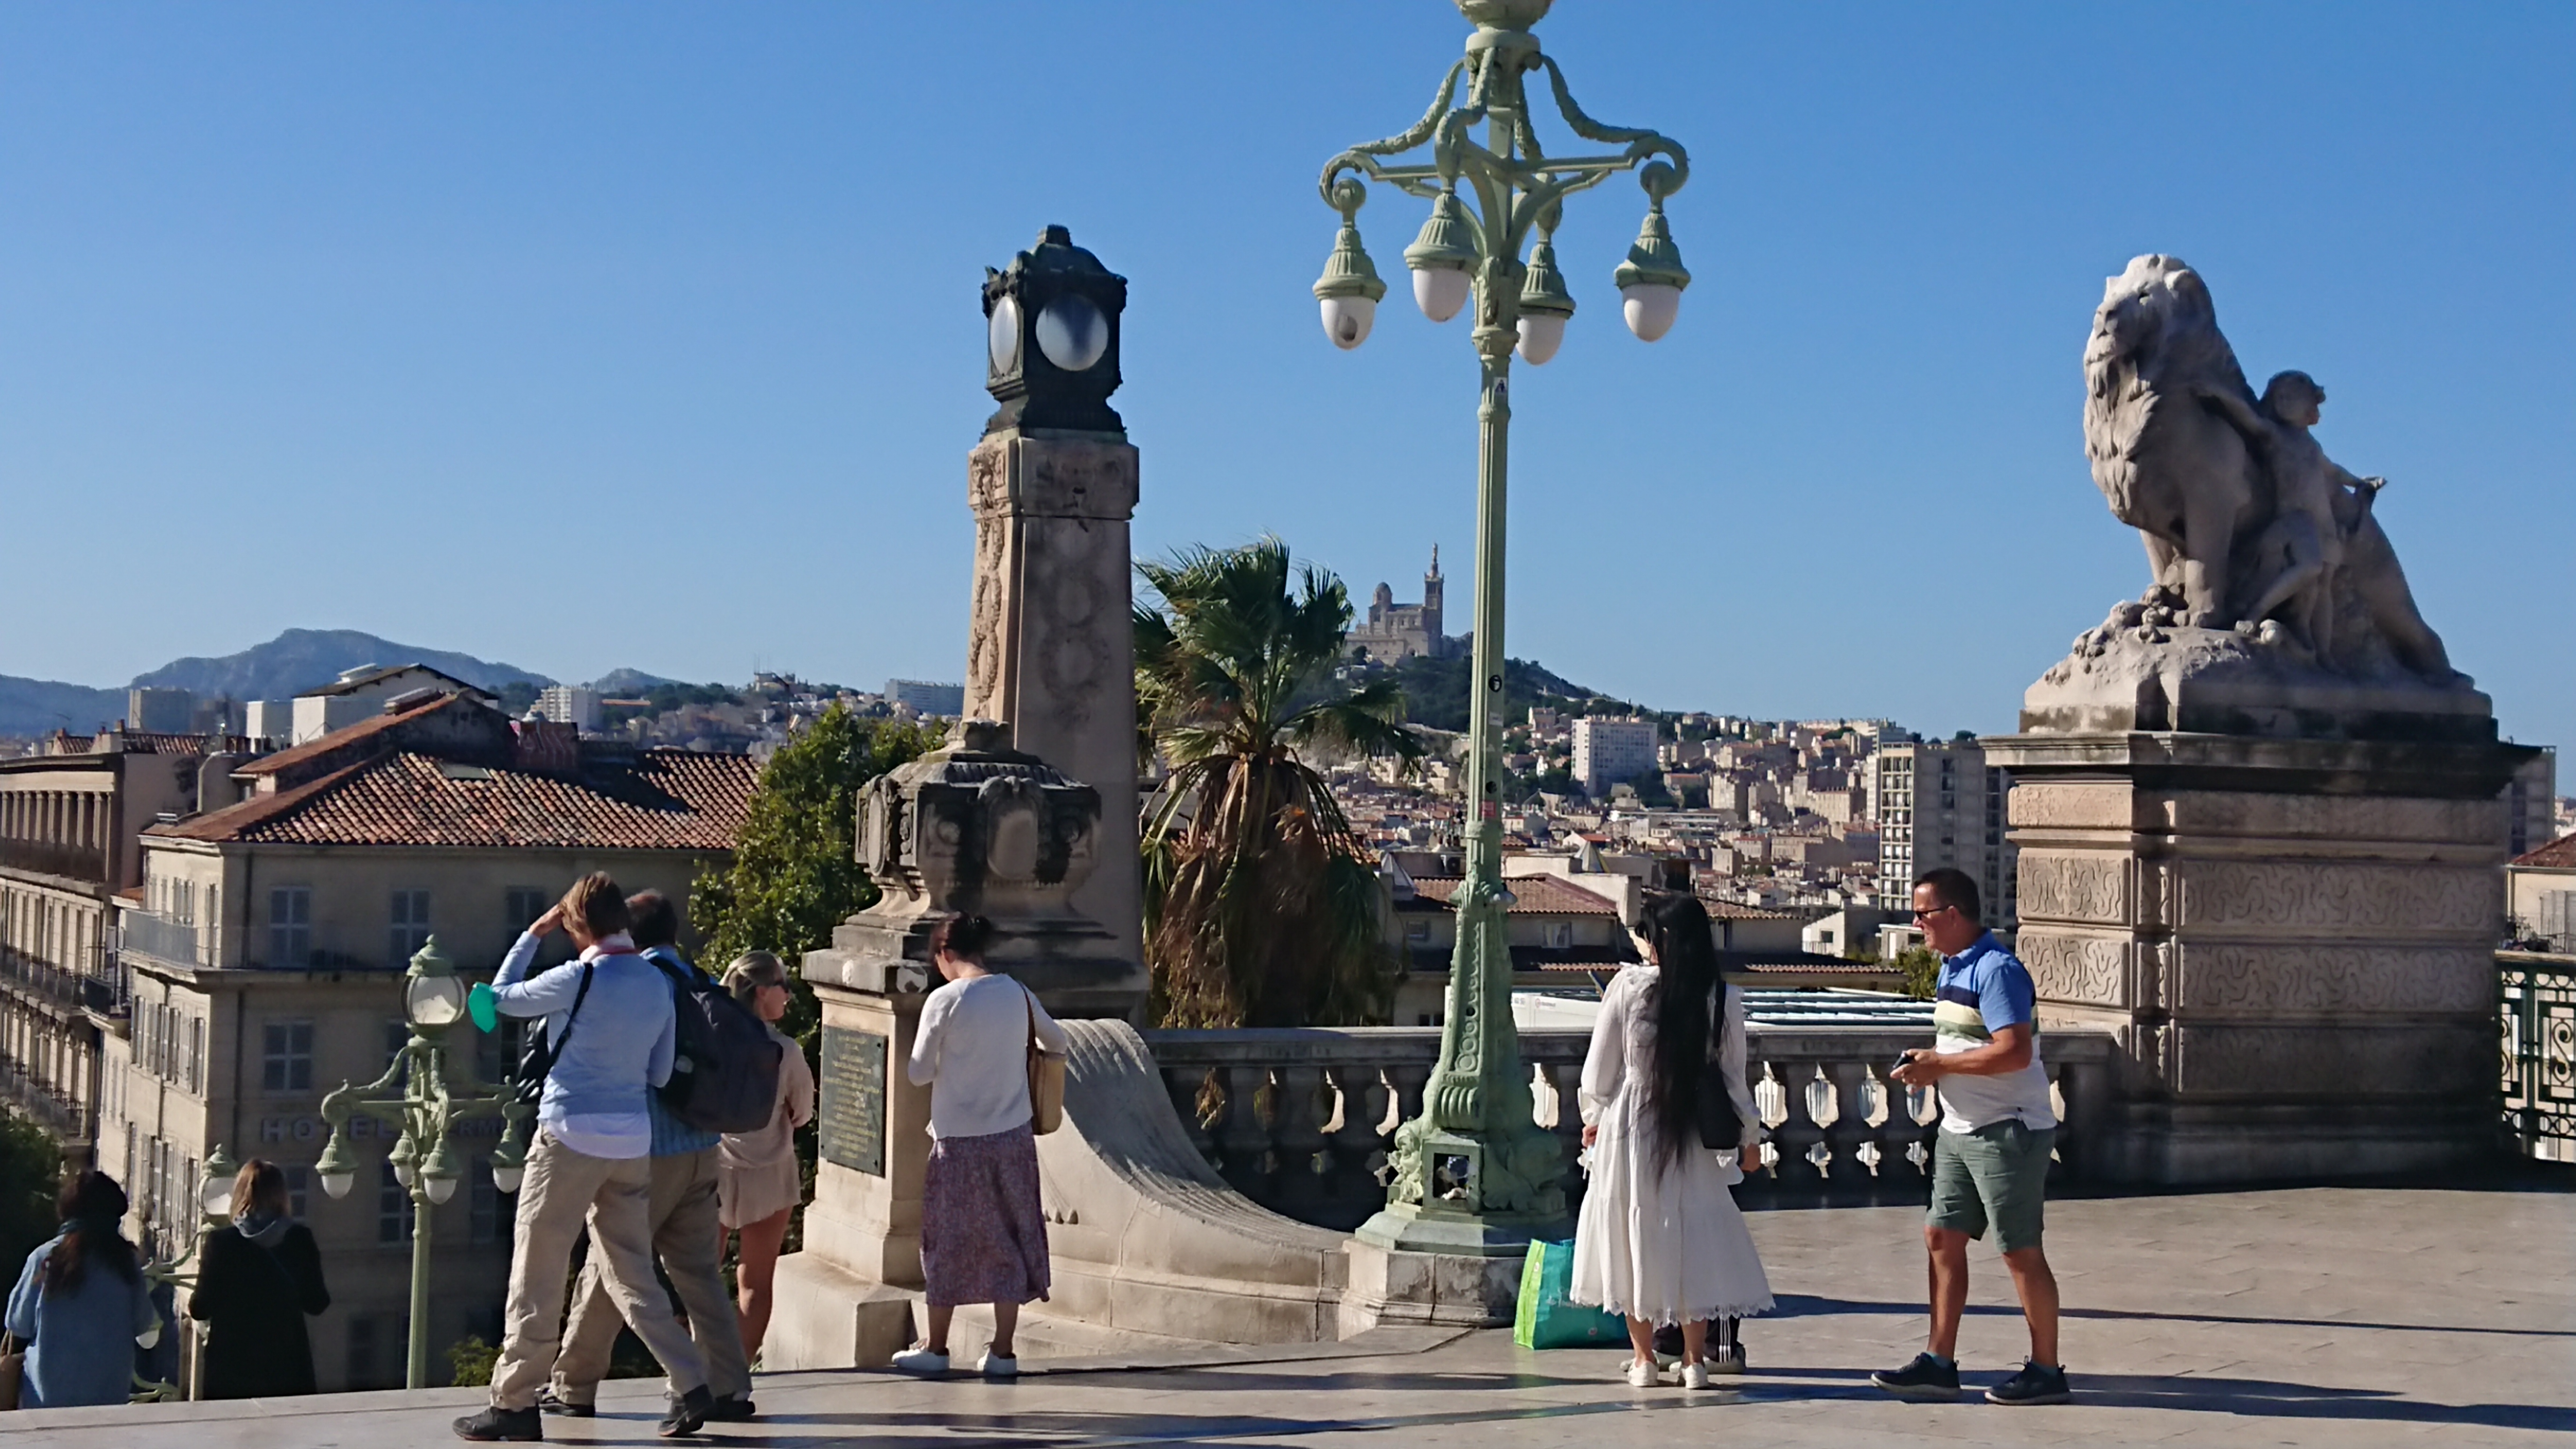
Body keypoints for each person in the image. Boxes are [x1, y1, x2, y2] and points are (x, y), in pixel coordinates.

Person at [454, 873, 715, 1443]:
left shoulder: (577, 977)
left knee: (538, 1267)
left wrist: (530, 935)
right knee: (632, 1271)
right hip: (631, 1143)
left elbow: (488, 1006)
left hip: (569, 1135)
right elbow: (660, 1072)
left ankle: (515, 1402)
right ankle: (694, 1381)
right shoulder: (656, 982)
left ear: (576, 926)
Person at [540, 891, 754, 1425]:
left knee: (612, 1267)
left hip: (651, 1150)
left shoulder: (639, 980)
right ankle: (729, 1385)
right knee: (700, 1274)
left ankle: (574, 1384)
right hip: (705, 1148)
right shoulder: (695, 976)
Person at [1875, 867, 2071, 1406]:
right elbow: (1966, 1044)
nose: (1916, 925)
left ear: (1952, 915)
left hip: (2006, 1130)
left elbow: (2014, 1050)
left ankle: (2046, 1370)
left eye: (1922, 914)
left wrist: (1940, 1063)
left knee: (2019, 1251)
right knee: (1941, 1237)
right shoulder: (1951, 968)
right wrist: (1934, 1061)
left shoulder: (1997, 970)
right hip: (1960, 1129)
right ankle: (1938, 1362)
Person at [1569, 892, 1773, 1390]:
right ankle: (1694, 1360)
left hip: (1631, 1125)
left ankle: (1643, 1359)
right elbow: (1732, 1079)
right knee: (1691, 1241)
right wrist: (1749, 1139)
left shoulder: (1626, 988)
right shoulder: (1720, 997)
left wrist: (1593, 1116)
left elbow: (1599, 1071)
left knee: (1632, 1235)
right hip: (1688, 1130)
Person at [891, 913, 1067, 1381]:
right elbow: (1057, 1040)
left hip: (957, 1141)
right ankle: (1003, 1353)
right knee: (1008, 1237)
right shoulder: (1016, 992)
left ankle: (936, 1346)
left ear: (945, 955)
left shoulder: (943, 1001)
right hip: (1011, 1135)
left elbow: (917, 1073)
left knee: (946, 1240)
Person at [715, 951, 815, 1366]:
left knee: (698, 1274)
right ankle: (737, 1371)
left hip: (713, 1167)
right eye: (783, 987)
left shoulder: (711, 1042)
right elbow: (803, 1111)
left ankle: (693, 1369)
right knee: (756, 1281)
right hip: (769, 1171)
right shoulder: (785, 1052)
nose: (789, 996)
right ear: (762, 993)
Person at [6, 1171, 160, 1409]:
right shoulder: (125, 1262)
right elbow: (143, 1322)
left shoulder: (45, 1258)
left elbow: (18, 1324)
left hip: (46, 1400)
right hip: (108, 1401)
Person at [187, 1159, 330, 1399]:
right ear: (282, 1195)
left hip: (231, 1369)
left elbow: (200, 1308)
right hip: (286, 1367)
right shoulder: (300, 1240)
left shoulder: (221, 1244)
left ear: (240, 1194)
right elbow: (317, 1303)